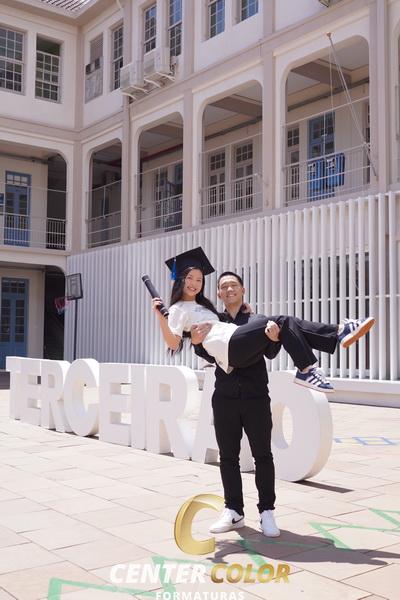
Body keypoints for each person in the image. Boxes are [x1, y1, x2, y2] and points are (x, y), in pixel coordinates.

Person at [151, 247, 375, 393]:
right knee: (283, 319)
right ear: (179, 279)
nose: (194, 283)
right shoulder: (177, 309)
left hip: (236, 345)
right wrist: (161, 317)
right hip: (228, 348)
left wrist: (248, 315)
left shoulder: (204, 307)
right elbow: (173, 343)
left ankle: (330, 343)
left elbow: (222, 324)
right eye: (189, 278)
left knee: (284, 323)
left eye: (199, 279)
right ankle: (331, 340)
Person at [192, 270, 282, 537]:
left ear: (243, 290)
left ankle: (267, 511)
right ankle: (234, 511)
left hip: (256, 397)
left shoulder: (257, 321)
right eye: (224, 286)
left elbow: (271, 352)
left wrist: (274, 339)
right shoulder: (213, 322)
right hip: (225, 398)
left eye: (234, 285)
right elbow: (204, 350)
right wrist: (197, 344)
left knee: (262, 455)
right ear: (219, 294)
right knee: (228, 457)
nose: (229, 289)